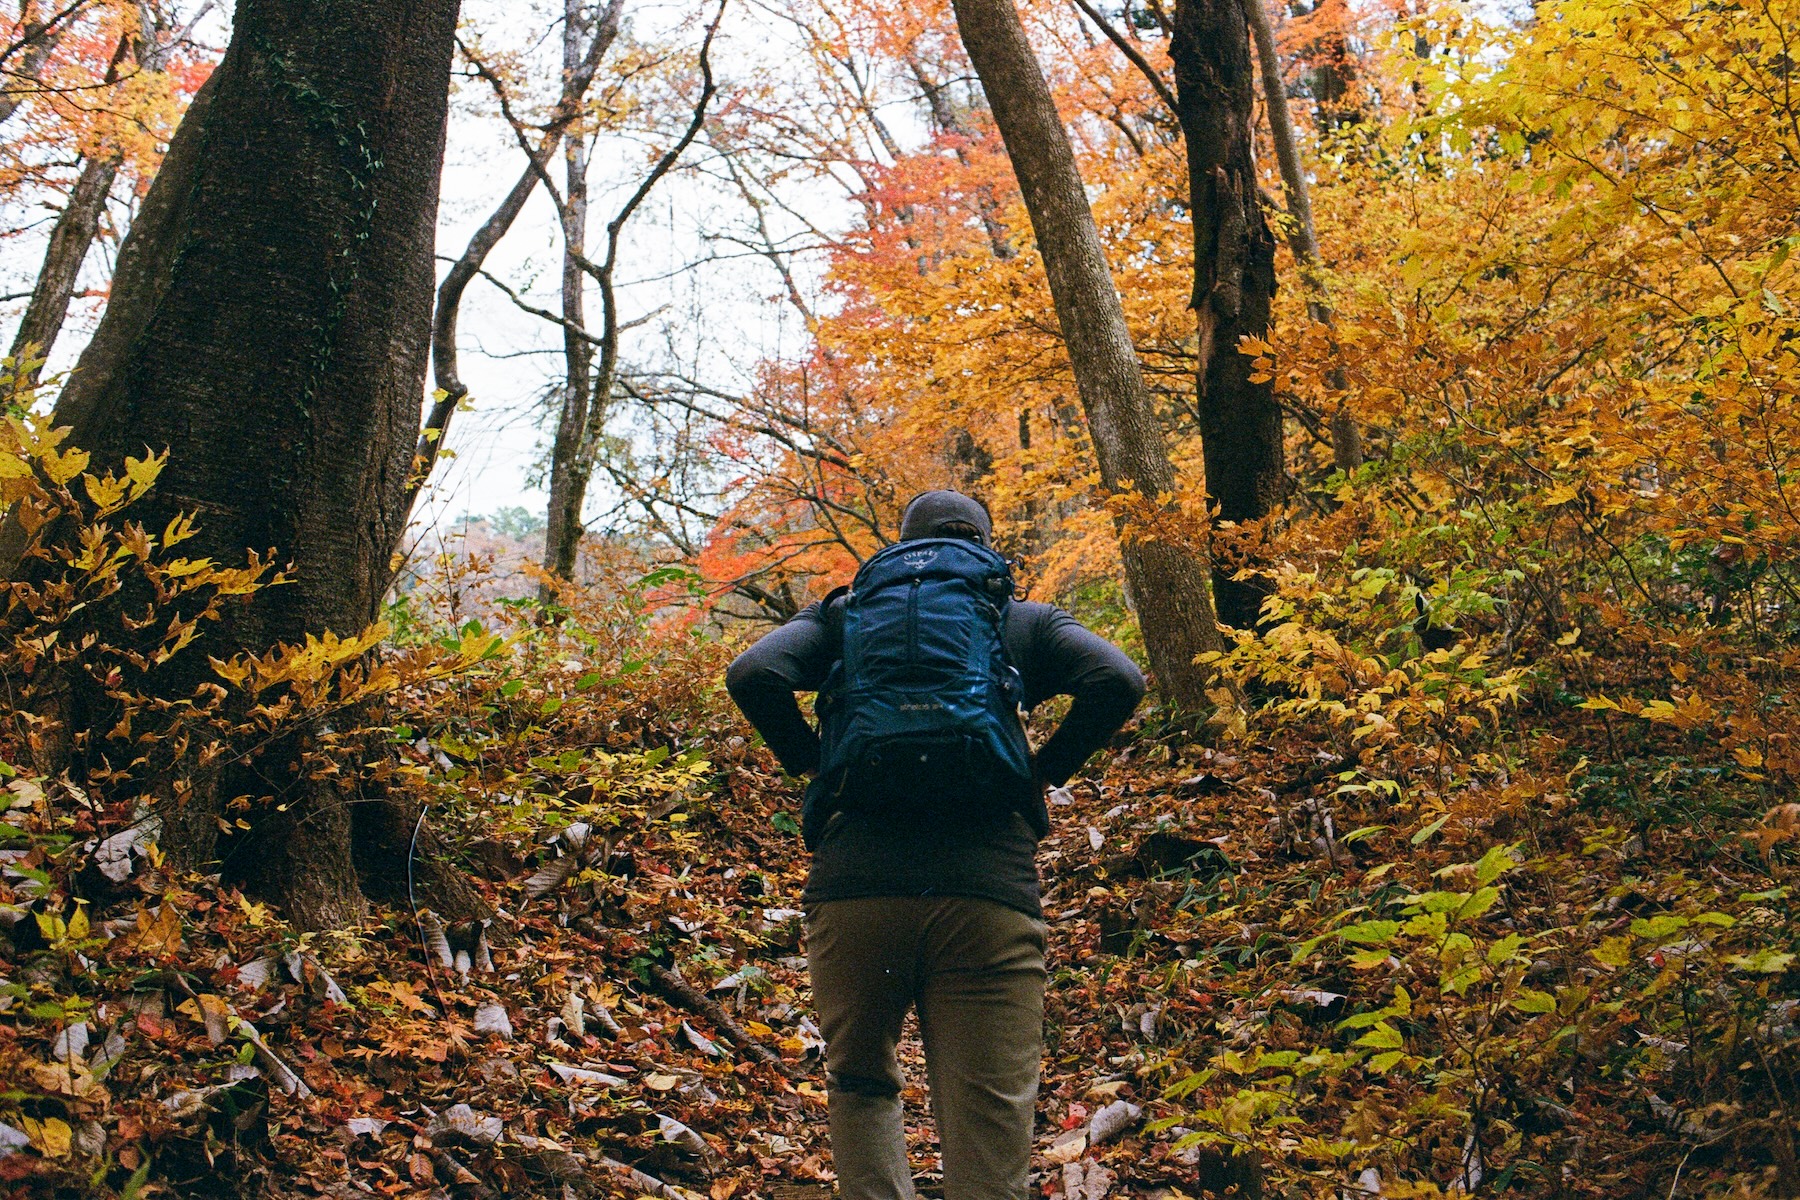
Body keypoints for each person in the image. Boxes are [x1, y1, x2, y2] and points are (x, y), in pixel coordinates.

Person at [725, 490, 1146, 1200]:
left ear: (901, 542)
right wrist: (1043, 771)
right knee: (988, 1115)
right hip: (988, 895)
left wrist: (810, 762)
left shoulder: (844, 613)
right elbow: (1119, 678)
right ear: (984, 541)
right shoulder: (1021, 619)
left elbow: (752, 673)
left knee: (860, 1084)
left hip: (855, 890)